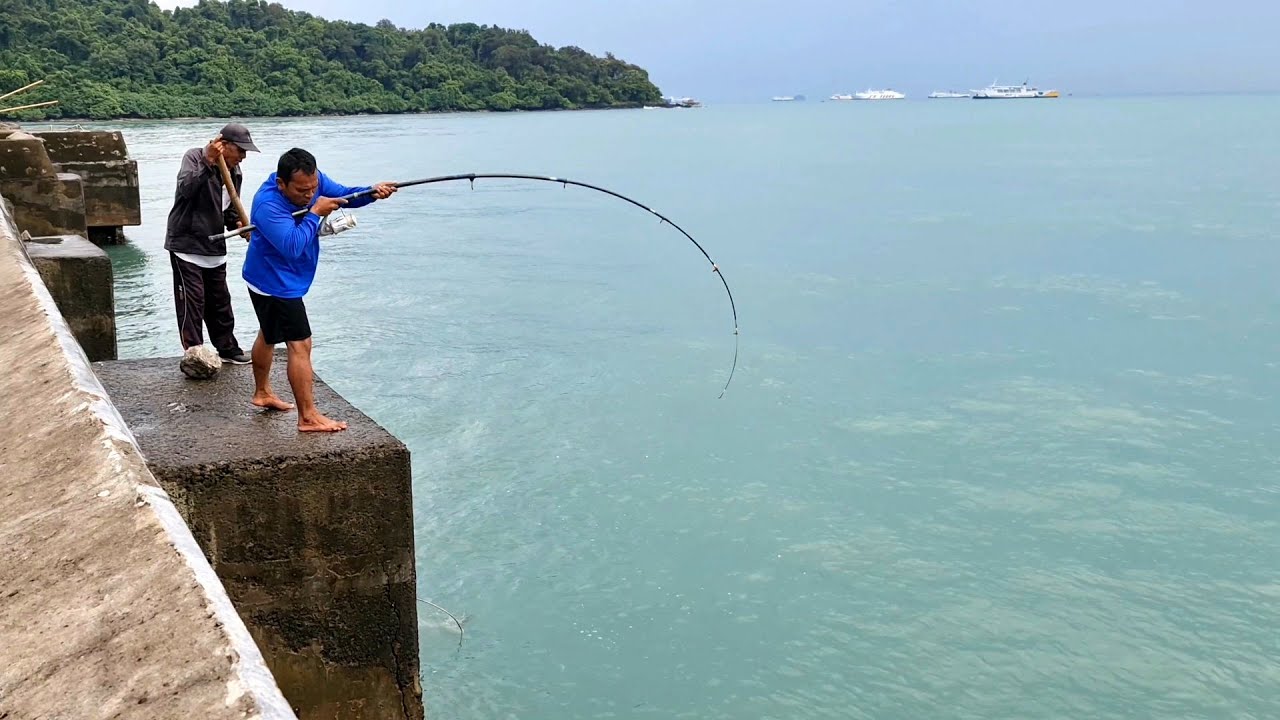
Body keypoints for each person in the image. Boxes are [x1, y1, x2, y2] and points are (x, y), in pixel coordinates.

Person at [242, 147, 397, 432]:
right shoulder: (267, 204)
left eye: (313, 188)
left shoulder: (313, 181)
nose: (309, 194)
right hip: (275, 281)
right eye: (302, 191)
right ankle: (308, 417)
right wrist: (314, 213)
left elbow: (344, 196)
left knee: (269, 333)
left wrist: (372, 192)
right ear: (281, 183)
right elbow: (292, 246)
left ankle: (262, 393)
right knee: (300, 344)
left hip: (270, 277)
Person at [164, 122, 260, 365]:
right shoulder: (195, 157)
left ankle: (227, 348)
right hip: (187, 244)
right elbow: (186, 189)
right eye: (240, 150)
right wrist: (207, 161)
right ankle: (195, 353)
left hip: (214, 246)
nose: (243, 157)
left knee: (220, 302)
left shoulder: (235, 172)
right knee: (192, 302)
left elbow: (225, 209)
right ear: (223, 146)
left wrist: (237, 223)